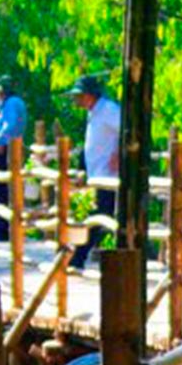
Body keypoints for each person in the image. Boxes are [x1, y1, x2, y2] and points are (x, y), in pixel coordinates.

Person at [66, 74, 120, 270]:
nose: (77, 100)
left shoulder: (108, 110)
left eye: (79, 95)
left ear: (90, 95)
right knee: (99, 215)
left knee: (99, 215)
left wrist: (118, 153)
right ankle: (80, 255)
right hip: (97, 174)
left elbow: (127, 129)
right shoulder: (95, 112)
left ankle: (78, 257)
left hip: (108, 175)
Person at [0, 76, 30, 239]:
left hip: (4, 149)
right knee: (2, 189)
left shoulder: (11, 103)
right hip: (8, 148)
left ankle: (1, 230)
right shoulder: (13, 103)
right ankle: (0, 229)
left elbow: (9, 125)